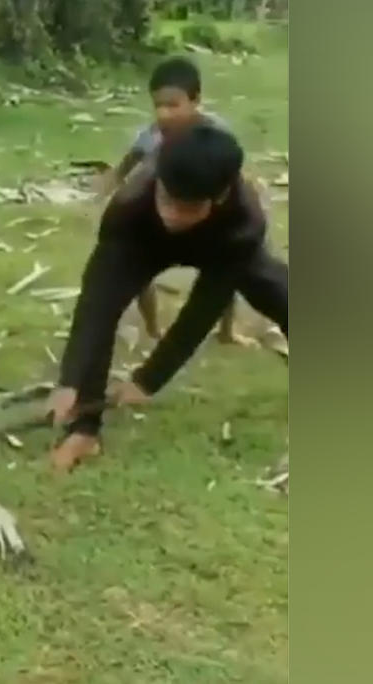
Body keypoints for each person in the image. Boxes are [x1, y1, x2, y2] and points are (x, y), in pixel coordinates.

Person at [47, 125, 288, 472]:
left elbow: (203, 309)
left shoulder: (245, 222)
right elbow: (96, 305)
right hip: (144, 243)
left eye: (187, 207)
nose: (172, 214)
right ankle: (85, 431)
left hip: (219, 245)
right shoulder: (129, 206)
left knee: (280, 291)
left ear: (218, 197)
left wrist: (149, 379)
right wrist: (71, 380)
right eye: (167, 200)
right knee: (104, 312)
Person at [98, 56, 250, 345]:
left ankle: (227, 331)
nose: (164, 114)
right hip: (162, 219)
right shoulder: (152, 136)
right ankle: (154, 328)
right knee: (140, 271)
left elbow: (232, 167)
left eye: (173, 104)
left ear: (196, 101)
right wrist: (114, 181)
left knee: (227, 269)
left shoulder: (216, 133)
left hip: (204, 216)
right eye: (158, 106)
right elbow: (131, 160)